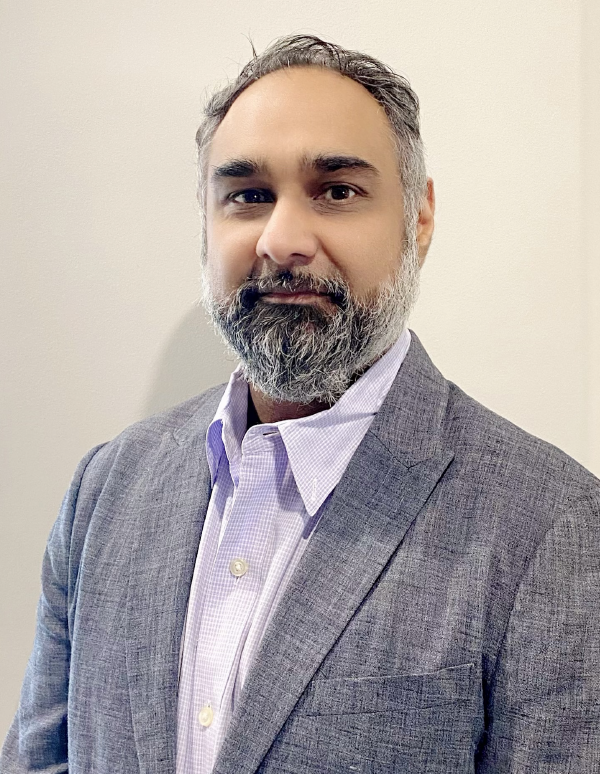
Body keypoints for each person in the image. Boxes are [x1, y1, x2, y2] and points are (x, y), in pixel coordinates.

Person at [1, 34, 599, 774]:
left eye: (337, 191)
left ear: (419, 219)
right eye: (248, 196)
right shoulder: (105, 490)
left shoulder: (552, 525)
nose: (283, 239)